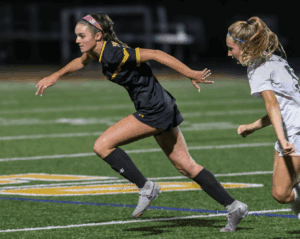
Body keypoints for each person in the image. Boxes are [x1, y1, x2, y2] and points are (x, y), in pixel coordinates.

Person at [36, 13, 248, 232]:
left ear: (98, 35)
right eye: (77, 36)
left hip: (154, 110)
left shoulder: (114, 53)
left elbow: (155, 54)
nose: (77, 40)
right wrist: (56, 75)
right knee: (185, 165)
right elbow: (82, 61)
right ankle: (234, 206)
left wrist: (189, 73)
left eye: (82, 36)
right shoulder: (99, 51)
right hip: (161, 105)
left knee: (102, 145)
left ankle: (146, 187)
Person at [226, 16, 300, 219]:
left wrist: (284, 140)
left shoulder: (258, 69)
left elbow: (273, 105)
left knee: (282, 194)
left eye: (232, 49)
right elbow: (284, 106)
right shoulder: (274, 60)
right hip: (291, 128)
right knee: (284, 189)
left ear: (245, 46)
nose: (229, 53)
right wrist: (253, 126)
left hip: (295, 131)